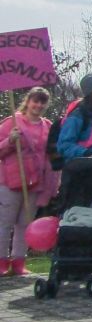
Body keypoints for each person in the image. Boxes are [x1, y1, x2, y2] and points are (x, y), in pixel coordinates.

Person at [0, 87, 55, 276]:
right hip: (9, 181)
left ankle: (18, 263)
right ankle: (1, 262)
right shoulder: (12, 122)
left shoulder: (47, 126)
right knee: (4, 223)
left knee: (25, 224)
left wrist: (51, 185)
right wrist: (9, 140)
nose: (38, 105)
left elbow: (50, 156)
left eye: (42, 102)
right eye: (35, 101)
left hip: (34, 182)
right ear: (28, 101)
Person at [57, 73, 92, 161]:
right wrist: (86, 153)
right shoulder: (78, 115)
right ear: (90, 91)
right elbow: (64, 145)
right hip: (82, 170)